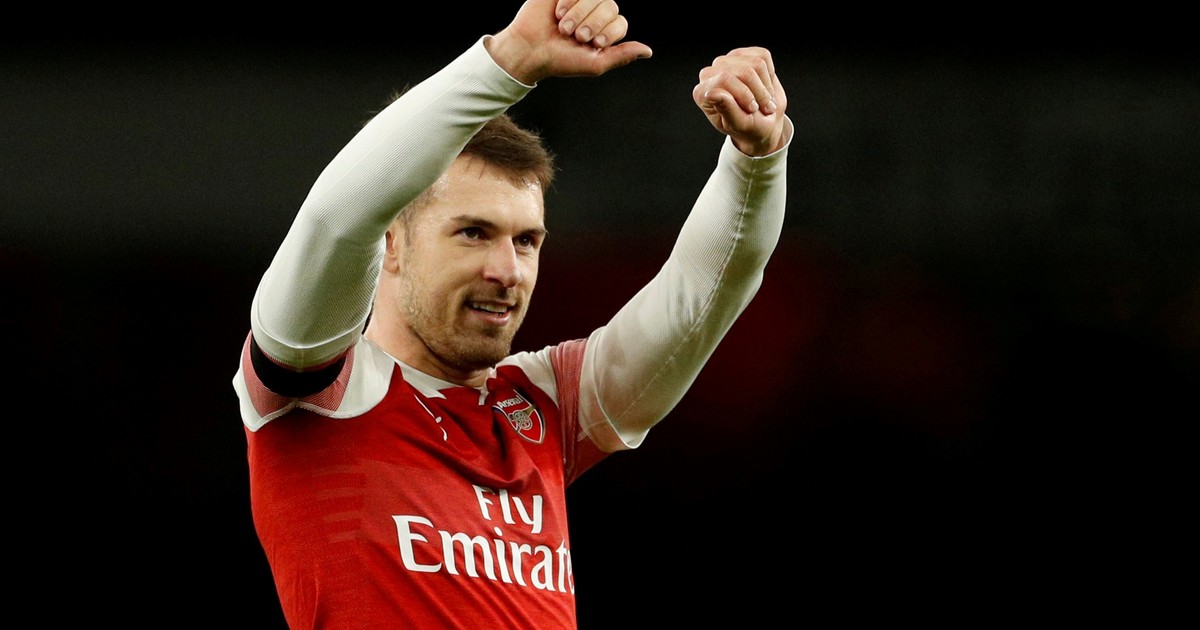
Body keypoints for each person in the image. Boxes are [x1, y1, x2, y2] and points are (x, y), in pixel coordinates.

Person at [232, 0, 792, 626]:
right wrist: (508, 61)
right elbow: (338, 220)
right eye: (473, 233)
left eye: (526, 241)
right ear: (391, 242)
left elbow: (703, 291)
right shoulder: (317, 390)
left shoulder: (545, 405)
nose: (508, 271)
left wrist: (756, 158)